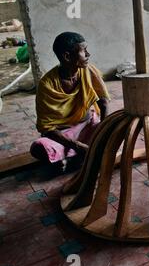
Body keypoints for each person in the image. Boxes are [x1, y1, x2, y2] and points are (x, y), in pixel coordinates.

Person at [30, 32, 110, 171]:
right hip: (62, 134)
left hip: (87, 125)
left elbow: (103, 102)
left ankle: (71, 157)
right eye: (83, 51)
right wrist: (78, 146)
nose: (88, 54)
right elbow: (47, 128)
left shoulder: (88, 70)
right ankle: (81, 152)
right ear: (67, 56)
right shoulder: (47, 84)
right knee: (39, 148)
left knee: (115, 130)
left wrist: (103, 131)